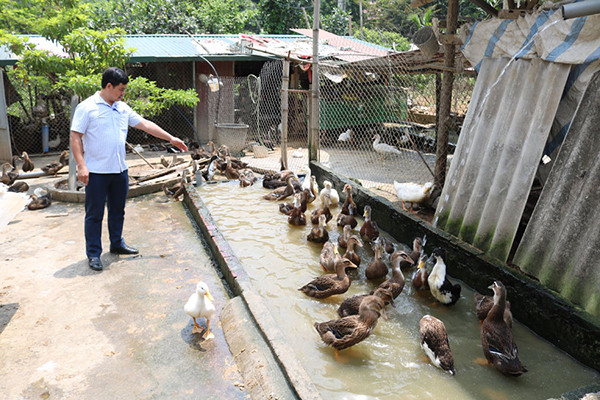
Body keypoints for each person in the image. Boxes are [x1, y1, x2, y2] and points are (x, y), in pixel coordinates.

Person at [70, 67, 188, 271]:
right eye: (121, 89)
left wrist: (170, 138)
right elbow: (75, 136)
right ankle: (94, 254)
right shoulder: (87, 107)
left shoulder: (121, 108)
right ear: (108, 86)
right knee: (94, 214)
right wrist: (81, 166)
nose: (123, 93)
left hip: (119, 171)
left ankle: (116, 244)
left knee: (118, 210)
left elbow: (145, 124)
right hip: (96, 172)